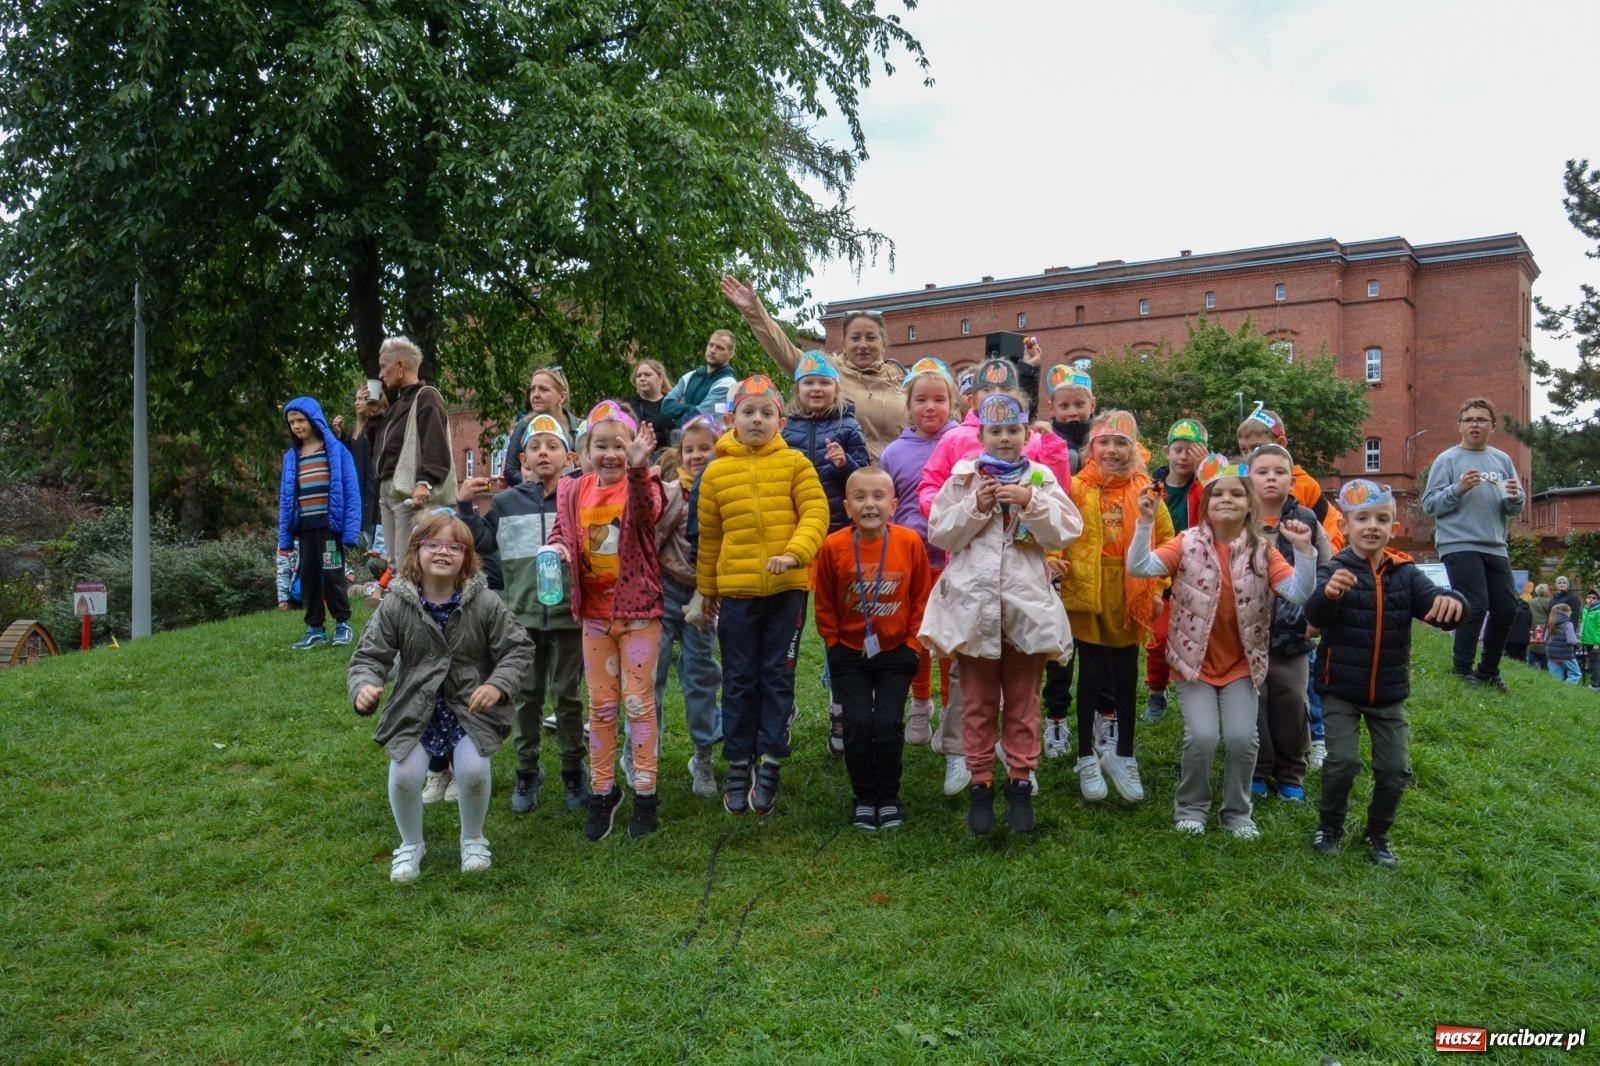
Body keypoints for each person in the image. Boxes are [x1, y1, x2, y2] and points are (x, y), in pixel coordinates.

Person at [1127, 454, 1318, 837]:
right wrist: (1144, 523)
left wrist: (1306, 552)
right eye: (1218, 495)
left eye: (1235, 494)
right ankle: (1192, 808)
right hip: (1193, 662)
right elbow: (1140, 567)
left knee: (1242, 739)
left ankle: (1237, 813)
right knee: (1202, 736)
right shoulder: (1187, 543)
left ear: (1249, 503)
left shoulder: (1263, 551)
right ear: (1206, 505)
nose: (1226, 500)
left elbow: (1298, 593)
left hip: (1241, 665)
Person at [918, 393, 1081, 835]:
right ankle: (980, 784)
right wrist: (978, 506)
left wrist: (1030, 500)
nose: (1005, 438)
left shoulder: (1042, 478)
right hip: (974, 608)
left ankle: (1021, 782)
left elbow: (1069, 528)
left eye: (1013, 431)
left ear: (1026, 435)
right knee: (977, 703)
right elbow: (942, 535)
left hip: (1026, 607)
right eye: (996, 431)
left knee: (1024, 703)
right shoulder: (963, 478)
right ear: (981, 435)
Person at [348, 509, 535, 883]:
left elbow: (518, 650)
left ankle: (473, 839)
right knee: (404, 775)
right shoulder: (397, 605)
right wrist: (363, 687)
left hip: (469, 706)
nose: (443, 552)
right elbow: (369, 656)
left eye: (455, 546)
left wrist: (496, 685)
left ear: (467, 557)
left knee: (473, 771)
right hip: (415, 707)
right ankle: (410, 844)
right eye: (432, 544)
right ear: (416, 551)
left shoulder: (484, 603)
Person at [1306, 480, 1467, 868]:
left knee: (1395, 770)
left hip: (1389, 694)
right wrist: (1328, 595)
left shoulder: (1406, 574)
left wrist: (1454, 602)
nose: (1371, 526)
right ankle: (1330, 827)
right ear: (1345, 527)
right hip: (1340, 690)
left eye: (1381, 519)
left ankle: (1378, 834)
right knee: (1342, 762)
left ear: (1394, 528)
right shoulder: (1335, 569)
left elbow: (1439, 608)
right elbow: (1312, 618)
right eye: (1362, 519)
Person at [696, 374, 829, 816]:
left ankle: (770, 759)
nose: (756, 420)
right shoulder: (715, 472)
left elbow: (816, 512)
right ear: (731, 419)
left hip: (787, 591)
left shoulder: (796, 465)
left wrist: (795, 554)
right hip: (737, 592)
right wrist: (706, 593)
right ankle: (738, 761)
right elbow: (710, 538)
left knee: (776, 674)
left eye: (765, 413)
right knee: (738, 677)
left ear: (781, 421)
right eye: (748, 413)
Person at [455, 414, 589, 814]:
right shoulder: (506, 502)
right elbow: (479, 541)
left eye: (552, 446)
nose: (543, 453)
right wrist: (464, 504)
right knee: (526, 696)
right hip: (522, 621)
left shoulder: (578, 496)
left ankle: (572, 769)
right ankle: (527, 770)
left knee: (567, 696)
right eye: (535, 447)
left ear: (568, 456)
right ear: (524, 458)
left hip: (568, 617)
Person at [548, 402, 667, 841]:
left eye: (620, 446)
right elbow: (563, 531)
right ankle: (603, 792)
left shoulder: (646, 484)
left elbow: (645, 513)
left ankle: (646, 793)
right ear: (584, 452)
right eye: (601, 446)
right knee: (600, 707)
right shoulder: (573, 491)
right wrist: (558, 548)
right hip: (595, 617)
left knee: (638, 703)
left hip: (638, 614)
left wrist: (639, 468)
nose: (611, 454)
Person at [1059, 410, 1172, 805]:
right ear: (1092, 447)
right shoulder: (1075, 487)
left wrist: (1158, 586)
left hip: (1131, 590)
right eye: (1103, 442)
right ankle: (1086, 756)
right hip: (1089, 588)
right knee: (1089, 673)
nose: (1111, 450)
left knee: (1125, 672)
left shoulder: (1147, 490)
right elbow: (1058, 530)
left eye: (1120, 443)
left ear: (1133, 449)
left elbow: (1165, 541)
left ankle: (1124, 752)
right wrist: (1056, 560)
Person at [814, 468, 932, 830]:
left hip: (897, 651)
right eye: (861, 498)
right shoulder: (834, 546)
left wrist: (912, 645)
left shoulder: (909, 542)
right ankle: (864, 797)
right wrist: (833, 643)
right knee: (858, 724)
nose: (870, 505)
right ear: (847, 507)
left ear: (893, 504)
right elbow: (824, 601)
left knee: (886, 724)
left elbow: (921, 597)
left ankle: (889, 796)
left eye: (878, 497)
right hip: (850, 654)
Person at [879, 358, 963, 775]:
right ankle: (920, 703)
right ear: (908, 405)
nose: (931, 407)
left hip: (954, 559)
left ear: (952, 402)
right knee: (914, 636)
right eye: (921, 400)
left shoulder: (965, 441)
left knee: (948, 638)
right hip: (910, 560)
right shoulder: (894, 453)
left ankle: (952, 709)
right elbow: (887, 503)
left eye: (939, 399)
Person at [721, 276, 907, 459]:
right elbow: (783, 349)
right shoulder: (828, 371)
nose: (863, 344)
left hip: (899, 481)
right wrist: (755, 312)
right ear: (844, 344)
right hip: (849, 478)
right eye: (855, 338)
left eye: (871, 338)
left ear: (884, 344)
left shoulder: (902, 378)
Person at [1246, 445, 1332, 803]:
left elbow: (1328, 569)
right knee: (1256, 703)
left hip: (1293, 633)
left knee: (1292, 700)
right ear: (1250, 477)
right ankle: (1259, 770)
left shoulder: (1307, 520)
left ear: (1290, 478)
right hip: (1246, 632)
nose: (1271, 478)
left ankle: (1291, 772)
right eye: (1263, 471)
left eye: (1279, 472)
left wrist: (1318, 615)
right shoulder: (1238, 517)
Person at [1421, 397, 1524, 690]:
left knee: (1507, 608)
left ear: (1492, 426)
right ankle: (1462, 669)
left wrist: (1515, 497)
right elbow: (1429, 504)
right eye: (1469, 420)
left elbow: (1513, 508)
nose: (1475, 424)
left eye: (1481, 420)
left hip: (1495, 544)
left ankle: (1488, 671)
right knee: (1475, 604)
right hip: (1458, 542)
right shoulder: (1447, 460)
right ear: (1459, 426)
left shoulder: (1502, 460)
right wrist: (1459, 488)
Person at [654, 414, 725, 797]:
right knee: (653, 673)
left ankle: (703, 756)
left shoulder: (723, 490)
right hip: (665, 591)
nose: (697, 456)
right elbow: (653, 539)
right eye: (689, 450)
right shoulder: (671, 493)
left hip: (705, 595)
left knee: (700, 675)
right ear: (679, 455)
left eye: (705, 448)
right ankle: (643, 753)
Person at [1040, 365, 1099, 751]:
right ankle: (1056, 716)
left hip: (1095, 554)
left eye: (1079, 404)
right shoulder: (1045, 442)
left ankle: (1097, 716)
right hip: (1059, 554)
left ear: (1092, 404)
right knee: (1059, 646)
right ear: (1053, 407)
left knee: (1096, 648)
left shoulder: (1104, 442)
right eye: (1064, 405)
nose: (1072, 412)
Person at [1139, 417, 1209, 725]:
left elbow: (1218, 504)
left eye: (1191, 452)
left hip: (1197, 575)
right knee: (1159, 636)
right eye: (1178, 450)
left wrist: (1206, 470)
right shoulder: (1154, 487)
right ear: (1167, 452)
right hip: (1162, 573)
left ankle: (1199, 691)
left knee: (1198, 637)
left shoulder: (1204, 487)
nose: (1183, 457)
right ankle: (1157, 691)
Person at [277, 397, 362, 649]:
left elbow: (351, 491)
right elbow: (285, 498)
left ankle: (342, 624)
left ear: (314, 419)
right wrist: (284, 537)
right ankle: (315, 627)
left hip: (330, 529)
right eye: (292, 422)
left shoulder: (336, 452)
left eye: (301, 420)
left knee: (333, 574)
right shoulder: (292, 457)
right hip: (305, 529)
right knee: (309, 576)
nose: (296, 426)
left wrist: (350, 531)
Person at [373, 336, 454, 564]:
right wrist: (371, 419)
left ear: (400, 366)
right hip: (387, 492)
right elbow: (380, 452)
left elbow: (436, 444)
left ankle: (411, 600)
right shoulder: (397, 406)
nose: (380, 375)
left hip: (409, 491)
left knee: (407, 564)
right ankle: (402, 599)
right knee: (396, 564)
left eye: (383, 366)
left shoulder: (426, 396)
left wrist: (424, 481)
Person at [501, 366, 580, 489]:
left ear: (562, 397)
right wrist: (537, 481)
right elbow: (510, 470)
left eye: (543, 389)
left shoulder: (581, 428)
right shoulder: (524, 426)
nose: (535, 395)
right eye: (533, 389)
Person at [665, 330, 740, 419]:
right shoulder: (690, 376)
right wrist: (692, 409)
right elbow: (666, 405)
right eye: (711, 345)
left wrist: (678, 412)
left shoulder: (728, 384)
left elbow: (700, 417)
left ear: (730, 354)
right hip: (682, 432)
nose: (712, 350)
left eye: (720, 348)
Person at [349, 383, 390, 548]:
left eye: (361, 399)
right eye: (356, 399)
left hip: (379, 499)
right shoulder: (357, 432)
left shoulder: (383, 426)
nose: (356, 403)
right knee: (373, 550)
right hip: (363, 500)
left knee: (381, 551)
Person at [627, 358, 692, 446]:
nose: (642, 378)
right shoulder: (627, 405)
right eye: (638, 376)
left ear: (660, 378)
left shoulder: (673, 404)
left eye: (647, 375)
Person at [1545, 602, 1583, 684]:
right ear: (1565, 612)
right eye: (1570, 610)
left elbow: (1545, 638)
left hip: (1551, 654)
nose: (1571, 612)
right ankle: (1566, 690)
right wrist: (1578, 641)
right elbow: (1571, 640)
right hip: (1565, 654)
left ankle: (1557, 694)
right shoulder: (1568, 623)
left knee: (1555, 679)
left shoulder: (1551, 622)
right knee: (1575, 674)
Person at [1527, 582, 1552, 669]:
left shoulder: (1531, 602)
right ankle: (1545, 669)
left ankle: (1529, 667)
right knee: (1544, 650)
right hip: (1544, 628)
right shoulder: (1549, 602)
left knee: (1533, 646)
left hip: (1533, 627)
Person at [1583, 590, 1600, 689]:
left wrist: (1597, 643)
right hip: (1588, 640)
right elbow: (1583, 625)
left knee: (1595, 663)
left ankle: (1595, 685)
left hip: (1595, 642)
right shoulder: (1586, 610)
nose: (1591, 599)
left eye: (1594, 598)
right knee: (1593, 662)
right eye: (1589, 597)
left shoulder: (1598, 611)